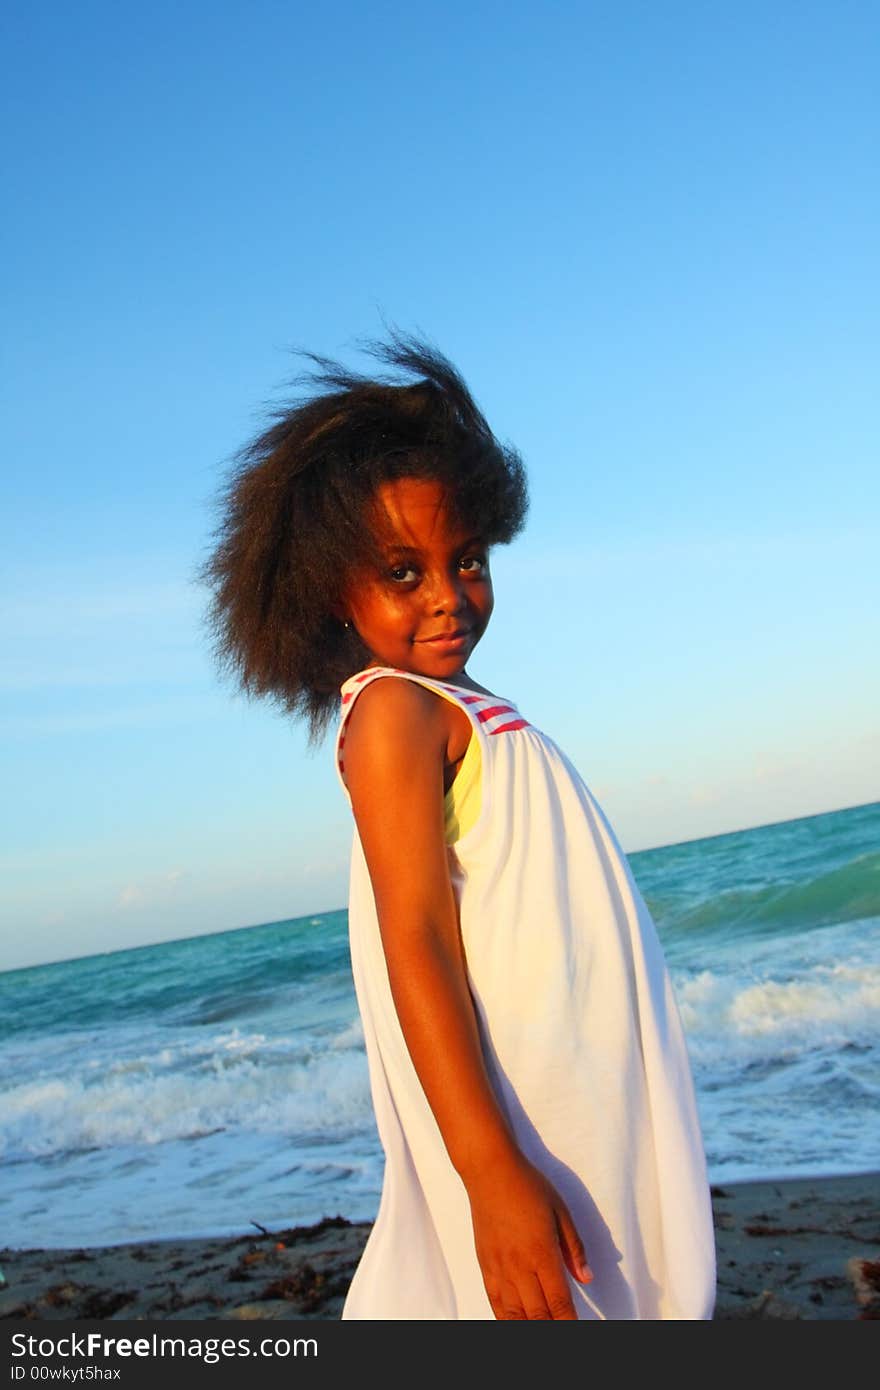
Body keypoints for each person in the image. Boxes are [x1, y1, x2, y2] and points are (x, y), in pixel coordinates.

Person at [200, 331, 717, 1320]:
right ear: (326, 589)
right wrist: (488, 1172)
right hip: (525, 1108)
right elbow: (418, 947)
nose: (449, 596)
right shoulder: (395, 711)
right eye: (403, 571)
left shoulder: (469, 704)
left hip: (575, 1079)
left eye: (468, 559)